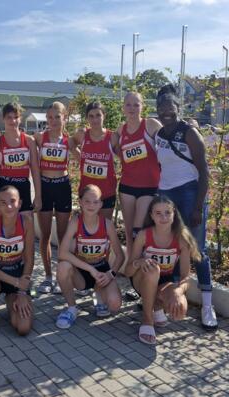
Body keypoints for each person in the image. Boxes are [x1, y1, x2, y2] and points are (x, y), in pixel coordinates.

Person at [154, 84, 218, 330]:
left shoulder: (190, 133)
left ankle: (207, 305)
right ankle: (164, 298)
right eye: (161, 108)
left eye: (170, 108)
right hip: (166, 194)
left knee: (197, 249)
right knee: (168, 247)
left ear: (178, 109)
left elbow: (204, 172)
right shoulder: (159, 135)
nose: (165, 112)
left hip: (190, 193)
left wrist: (198, 206)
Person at [125, 195, 201, 344]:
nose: (163, 217)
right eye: (158, 213)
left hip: (165, 282)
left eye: (167, 212)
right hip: (142, 279)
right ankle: (147, 320)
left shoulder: (181, 238)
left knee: (180, 310)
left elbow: (186, 276)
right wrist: (139, 263)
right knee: (153, 271)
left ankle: (157, 305)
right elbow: (128, 271)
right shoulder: (143, 235)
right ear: (151, 216)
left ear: (174, 214)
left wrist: (177, 292)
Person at [55, 185, 124, 329]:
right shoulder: (75, 222)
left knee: (115, 305)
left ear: (101, 204)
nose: (91, 205)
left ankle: (99, 294)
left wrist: (111, 274)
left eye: (95, 201)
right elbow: (62, 252)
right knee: (63, 266)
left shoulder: (108, 224)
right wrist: (90, 269)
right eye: (87, 201)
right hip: (82, 271)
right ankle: (72, 308)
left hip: (101, 271)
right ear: (80, 202)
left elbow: (120, 256)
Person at [0, 186, 35, 335]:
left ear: (20, 203)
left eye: (12, 201)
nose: (9, 206)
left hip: (17, 275)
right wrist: (16, 282)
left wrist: (22, 292)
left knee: (23, 328)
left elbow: (29, 259)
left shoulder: (27, 222)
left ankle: (11, 300)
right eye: (3, 202)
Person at [34, 101, 79, 294]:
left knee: (63, 236)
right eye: (50, 117)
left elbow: (83, 158)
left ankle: (62, 276)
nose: (53, 121)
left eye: (57, 117)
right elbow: (18, 140)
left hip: (62, 187)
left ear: (65, 118)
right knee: (44, 236)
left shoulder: (68, 141)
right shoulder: (39, 137)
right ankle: (48, 277)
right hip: (44, 187)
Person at [115, 92, 162, 256]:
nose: (132, 108)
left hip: (149, 187)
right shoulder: (120, 130)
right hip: (127, 186)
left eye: (136, 104)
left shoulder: (151, 125)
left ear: (143, 107)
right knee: (128, 231)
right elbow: (114, 151)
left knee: (138, 229)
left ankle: (139, 265)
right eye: (128, 104)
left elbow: (168, 143)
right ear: (123, 107)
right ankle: (131, 263)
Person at [0, 102, 41, 219]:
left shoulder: (29, 141)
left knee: (27, 226)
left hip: (23, 186)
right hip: (3, 187)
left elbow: (35, 171)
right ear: (3, 119)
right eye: (9, 117)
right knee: (3, 229)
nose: (13, 121)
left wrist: (38, 196)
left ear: (20, 118)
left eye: (16, 117)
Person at [73, 102, 118, 220]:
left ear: (104, 116)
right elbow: (70, 143)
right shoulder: (82, 135)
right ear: (87, 118)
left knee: (105, 228)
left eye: (98, 115)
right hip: (87, 193)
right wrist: (80, 158)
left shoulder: (112, 137)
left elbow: (125, 158)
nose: (95, 119)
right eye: (91, 116)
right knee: (88, 228)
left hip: (107, 192)